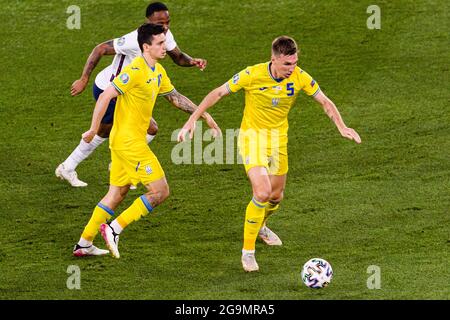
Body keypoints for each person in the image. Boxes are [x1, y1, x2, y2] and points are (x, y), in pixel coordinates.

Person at [177, 36, 361, 272]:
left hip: (278, 141)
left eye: (294, 63)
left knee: (276, 197)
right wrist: (193, 119)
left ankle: (261, 226)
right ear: (273, 59)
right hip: (252, 139)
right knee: (262, 192)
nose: (291, 69)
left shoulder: (300, 77)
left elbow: (325, 101)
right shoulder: (252, 74)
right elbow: (218, 93)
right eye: (286, 64)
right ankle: (248, 252)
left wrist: (342, 126)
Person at [73, 23, 220, 257]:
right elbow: (106, 97)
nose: (165, 47)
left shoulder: (158, 71)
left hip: (124, 143)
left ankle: (83, 244)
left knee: (117, 193)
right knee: (160, 191)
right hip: (130, 143)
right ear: (146, 47)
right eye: (160, 43)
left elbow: (174, 97)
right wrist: (93, 129)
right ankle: (114, 228)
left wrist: (206, 116)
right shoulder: (134, 71)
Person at [56, 2, 207, 187]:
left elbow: (177, 56)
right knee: (146, 129)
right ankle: (116, 165)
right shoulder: (133, 40)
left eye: (168, 21)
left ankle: (73, 166)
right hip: (110, 89)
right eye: (161, 22)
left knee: (108, 131)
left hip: (126, 91)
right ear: (148, 21)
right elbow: (100, 48)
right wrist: (83, 79)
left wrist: (192, 61)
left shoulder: (162, 34)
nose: (165, 27)